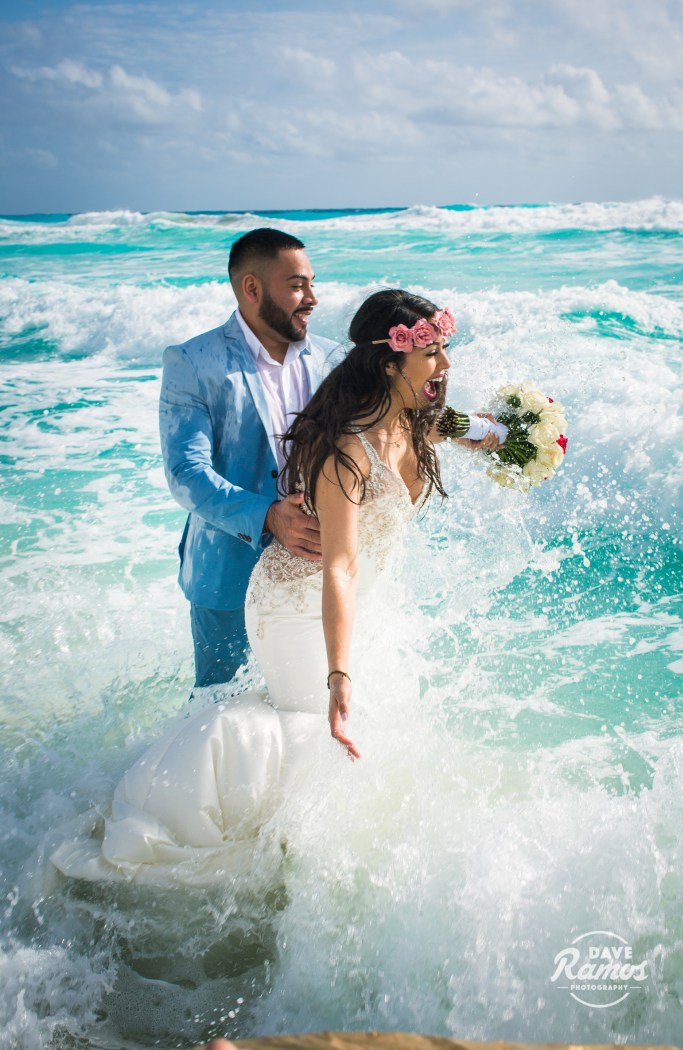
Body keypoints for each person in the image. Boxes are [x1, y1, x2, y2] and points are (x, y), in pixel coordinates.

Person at [51, 290, 500, 884]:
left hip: (355, 596)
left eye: (446, 351)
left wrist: (520, 435)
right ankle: (265, 849)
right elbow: (338, 565)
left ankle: (313, 842)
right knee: (317, 719)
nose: (445, 366)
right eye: (433, 354)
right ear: (390, 362)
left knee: (355, 717)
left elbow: (479, 430)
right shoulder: (348, 451)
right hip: (295, 604)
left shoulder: (424, 421)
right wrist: (338, 673)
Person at [160, 228, 341, 688]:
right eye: (297, 285)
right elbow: (186, 473)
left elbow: (384, 425)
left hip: (314, 572)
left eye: (312, 283)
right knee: (219, 714)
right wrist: (268, 517)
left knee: (305, 706)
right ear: (252, 288)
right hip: (225, 575)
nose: (312, 298)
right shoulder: (193, 361)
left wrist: (478, 429)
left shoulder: (332, 359)